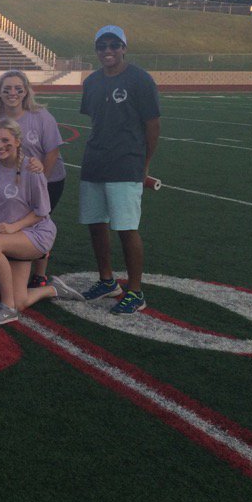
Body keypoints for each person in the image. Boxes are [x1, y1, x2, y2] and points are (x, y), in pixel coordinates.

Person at [79, 25, 161, 314]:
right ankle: (107, 280)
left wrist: (144, 164)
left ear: (124, 47)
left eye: (114, 45)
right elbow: (96, 121)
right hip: (94, 162)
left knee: (126, 227)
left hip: (126, 163)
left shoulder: (139, 79)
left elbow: (152, 125)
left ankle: (135, 291)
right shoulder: (91, 81)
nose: (108, 51)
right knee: (96, 224)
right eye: (102, 46)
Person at [0, 119, 81, 325]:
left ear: (18, 141)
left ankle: (7, 308)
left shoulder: (32, 169)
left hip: (34, 233)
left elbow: (42, 212)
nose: (0, 145)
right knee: (21, 300)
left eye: (6, 140)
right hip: (10, 238)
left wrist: (13, 228)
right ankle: (53, 289)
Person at [0, 69, 65, 287]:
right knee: (15, 224)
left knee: (37, 220)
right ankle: (15, 266)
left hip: (45, 178)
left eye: (18, 88)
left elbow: (52, 151)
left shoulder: (41, 116)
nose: (13, 93)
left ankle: (40, 274)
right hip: (13, 180)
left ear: (26, 91)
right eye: (7, 89)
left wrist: (41, 179)